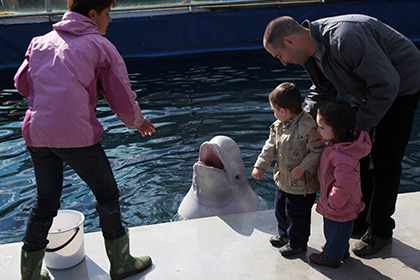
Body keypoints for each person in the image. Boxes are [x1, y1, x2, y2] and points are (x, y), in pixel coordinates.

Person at [14, 1, 156, 279]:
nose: (109, 20)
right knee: (107, 195)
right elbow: (121, 97)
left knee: (45, 202)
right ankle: (121, 262)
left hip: (37, 133)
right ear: (93, 14)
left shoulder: (39, 42)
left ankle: (29, 274)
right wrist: (138, 123)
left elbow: (21, 85)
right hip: (76, 135)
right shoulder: (100, 47)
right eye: (107, 13)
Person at [263, 14, 420, 257]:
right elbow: (324, 89)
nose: (283, 63)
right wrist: (300, 122)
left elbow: (387, 85)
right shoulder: (310, 53)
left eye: (279, 56)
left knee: (383, 160)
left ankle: (380, 230)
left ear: (290, 41)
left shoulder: (345, 38)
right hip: (368, 88)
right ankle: (358, 218)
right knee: (356, 156)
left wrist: (357, 128)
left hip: (401, 87)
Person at [252, 82, 325, 257]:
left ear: (283, 110)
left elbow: (319, 150)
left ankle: (298, 243)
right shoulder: (278, 125)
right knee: (281, 209)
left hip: (302, 185)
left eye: (274, 110)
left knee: (297, 215)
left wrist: (303, 167)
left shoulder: (308, 126)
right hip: (283, 180)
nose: (274, 114)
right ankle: (284, 235)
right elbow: (270, 146)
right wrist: (260, 165)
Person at [310, 100, 371, 268]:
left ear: (336, 130)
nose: (317, 130)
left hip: (340, 203)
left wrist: (333, 203)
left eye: (321, 127)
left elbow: (344, 185)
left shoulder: (343, 157)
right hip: (339, 202)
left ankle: (332, 257)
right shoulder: (339, 146)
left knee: (336, 229)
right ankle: (339, 249)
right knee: (338, 230)